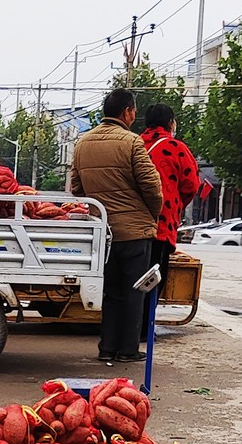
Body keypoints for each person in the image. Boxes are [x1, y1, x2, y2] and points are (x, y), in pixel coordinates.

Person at [69, 88, 164, 365]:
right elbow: (152, 187)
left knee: (111, 292)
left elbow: (77, 187)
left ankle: (107, 348)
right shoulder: (132, 143)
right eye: (134, 110)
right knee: (135, 291)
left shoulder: (82, 144)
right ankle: (128, 350)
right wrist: (150, 215)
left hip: (102, 233)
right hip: (134, 233)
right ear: (127, 112)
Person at [140, 102, 201, 335]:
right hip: (161, 225)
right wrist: (174, 206)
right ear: (171, 123)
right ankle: (144, 329)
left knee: (127, 279)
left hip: (128, 225)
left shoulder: (132, 144)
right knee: (153, 277)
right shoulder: (176, 148)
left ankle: (123, 331)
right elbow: (191, 185)